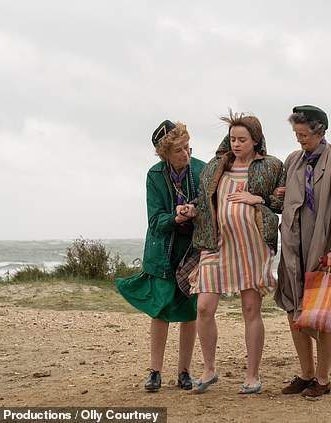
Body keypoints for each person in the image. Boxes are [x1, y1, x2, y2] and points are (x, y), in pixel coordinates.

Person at [182, 110, 285, 394]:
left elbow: (284, 202)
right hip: (215, 243)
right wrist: (190, 208)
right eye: (233, 139)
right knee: (204, 307)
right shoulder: (216, 166)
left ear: (255, 141)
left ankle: (253, 375)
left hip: (253, 247)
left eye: (242, 139)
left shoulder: (272, 166)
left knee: (251, 309)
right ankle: (208, 369)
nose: (236, 144)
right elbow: (204, 200)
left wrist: (259, 198)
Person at [115, 119, 205, 392]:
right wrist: (175, 218)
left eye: (188, 147)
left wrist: (195, 209)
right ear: (165, 153)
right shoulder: (154, 175)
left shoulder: (201, 170)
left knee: (190, 312)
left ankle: (185, 372)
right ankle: (155, 371)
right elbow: (154, 220)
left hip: (192, 251)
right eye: (179, 150)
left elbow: (209, 205)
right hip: (162, 252)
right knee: (161, 310)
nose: (186, 155)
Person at [274, 105, 331, 397]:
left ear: (320, 132)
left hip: (323, 248)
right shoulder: (293, 161)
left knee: (321, 314)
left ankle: (322, 379)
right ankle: (306, 374)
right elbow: (285, 197)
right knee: (293, 309)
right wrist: (280, 195)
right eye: (296, 134)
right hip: (293, 247)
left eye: (304, 134)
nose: (299, 139)